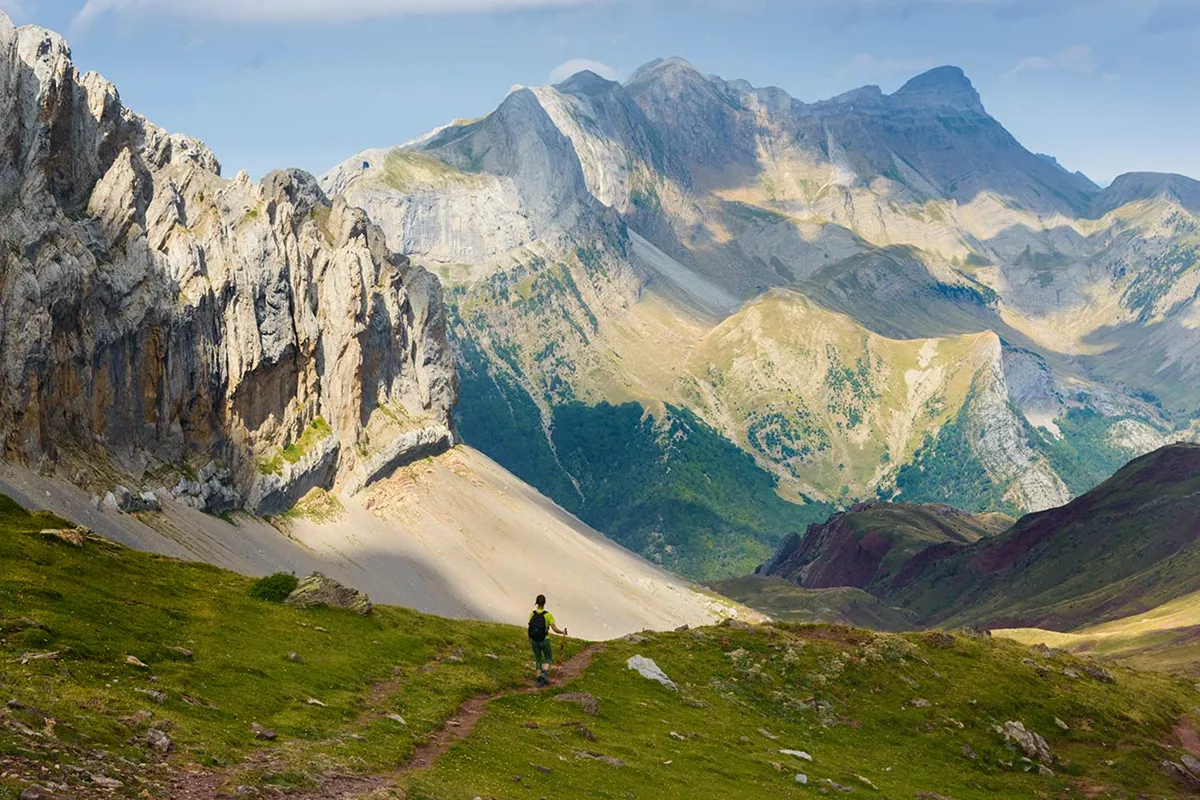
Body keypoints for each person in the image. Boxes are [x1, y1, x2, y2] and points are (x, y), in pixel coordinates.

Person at [528, 594, 567, 686]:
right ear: (544, 603)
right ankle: (544, 674)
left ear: (536, 603)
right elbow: (555, 629)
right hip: (544, 640)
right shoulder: (548, 615)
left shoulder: (531, 614)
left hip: (534, 640)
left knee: (538, 660)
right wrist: (563, 632)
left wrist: (529, 639)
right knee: (548, 658)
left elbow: (529, 628)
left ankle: (538, 681)